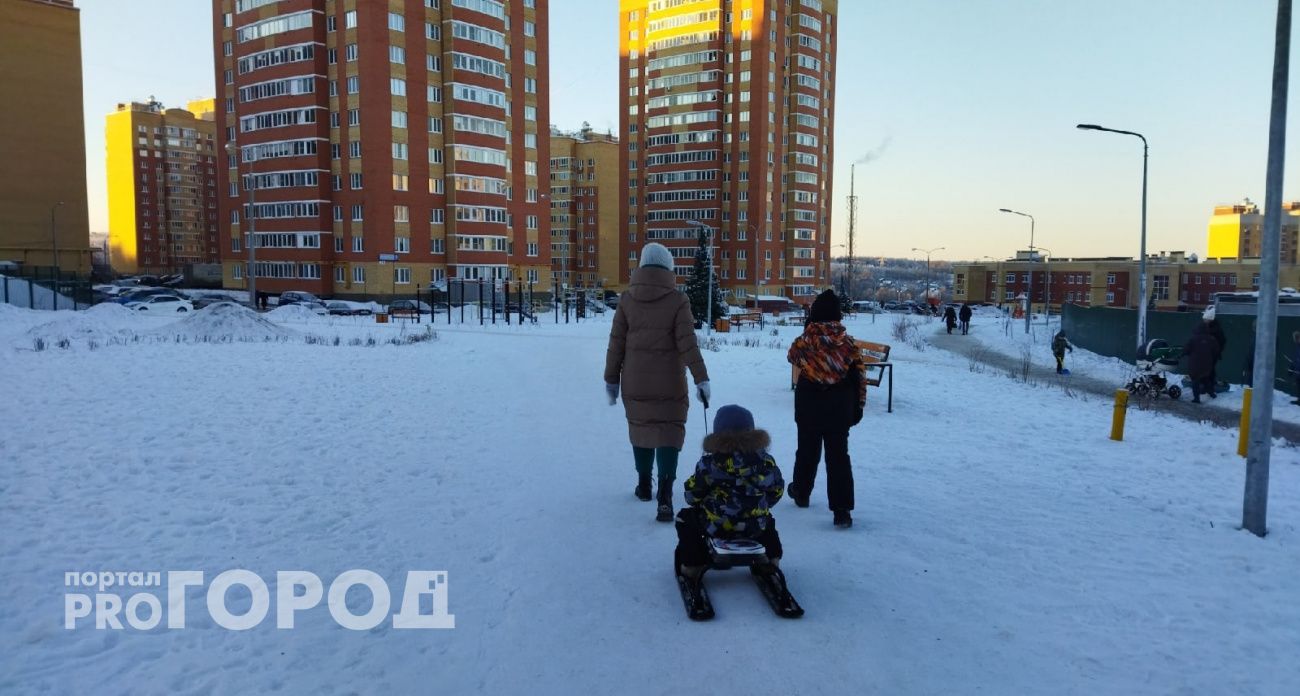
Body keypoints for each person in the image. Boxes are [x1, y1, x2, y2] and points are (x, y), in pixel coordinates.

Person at [605, 242, 711, 522]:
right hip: (670, 383)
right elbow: (688, 344)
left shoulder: (627, 299)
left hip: (635, 382)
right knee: (669, 432)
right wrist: (701, 379)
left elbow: (616, 344)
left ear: (642, 265)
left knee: (641, 429)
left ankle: (643, 485)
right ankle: (665, 494)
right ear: (668, 267)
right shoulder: (678, 301)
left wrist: (611, 380)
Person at [675, 405, 784, 581]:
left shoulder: (710, 464)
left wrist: (697, 501)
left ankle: (693, 564)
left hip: (716, 526)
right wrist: (762, 504)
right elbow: (777, 489)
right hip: (755, 527)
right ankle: (771, 558)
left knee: (686, 519)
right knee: (767, 521)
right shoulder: (765, 462)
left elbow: (693, 494)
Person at [787, 289, 865, 528]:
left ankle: (801, 491)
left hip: (809, 401)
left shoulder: (804, 342)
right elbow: (859, 376)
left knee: (807, 449)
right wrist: (858, 405)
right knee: (839, 456)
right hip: (839, 404)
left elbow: (792, 357)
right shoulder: (849, 344)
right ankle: (842, 510)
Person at [1183, 322, 1220, 403]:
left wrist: (1184, 353)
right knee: (1206, 378)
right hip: (1207, 365)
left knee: (1195, 381)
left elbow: (1186, 350)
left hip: (1195, 365)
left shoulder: (1193, 339)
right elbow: (1216, 351)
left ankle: (1197, 398)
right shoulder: (1212, 339)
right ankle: (1211, 393)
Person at [1203, 307, 1227, 391]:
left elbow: (1222, 341)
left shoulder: (1214, 330)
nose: (1204, 321)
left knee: (1209, 370)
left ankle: (1208, 387)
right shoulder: (1211, 328)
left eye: (1206, 319)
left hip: (1211, 354)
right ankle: (1208, 386)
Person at [1288, 331, 1300, 405]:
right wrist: (1291, 369)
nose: (1295, 340)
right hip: (1297, 371)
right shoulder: (1297, 348)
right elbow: (1295, 360)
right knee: (1298, 386)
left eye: (1297, 338)